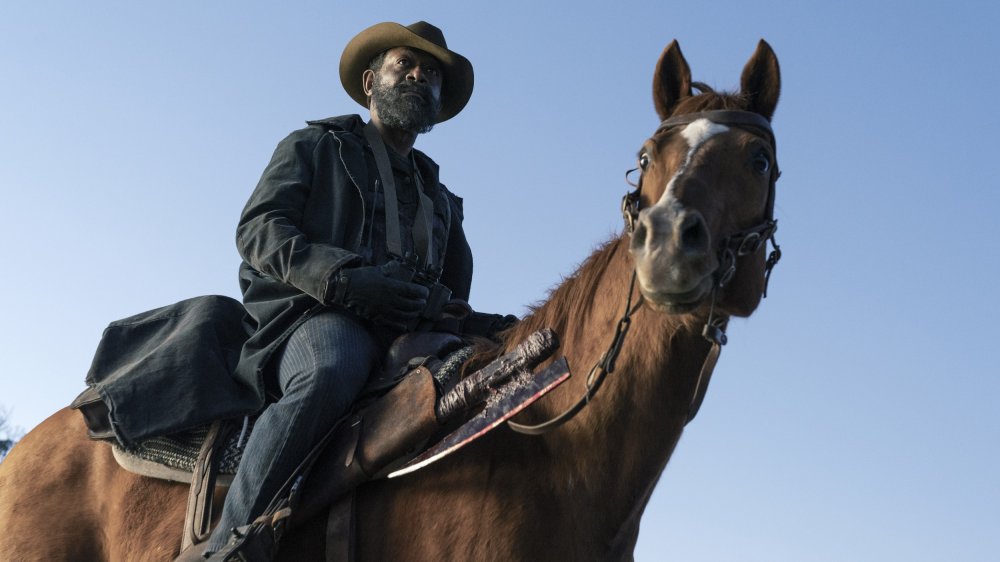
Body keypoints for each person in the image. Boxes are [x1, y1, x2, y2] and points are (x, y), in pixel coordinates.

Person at [176, 21, 486, 561]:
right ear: (371, 82)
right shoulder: (314, 146)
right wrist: (341, 278)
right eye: (404, 65)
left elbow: (456, 292)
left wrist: (459, 314)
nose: (418, 76)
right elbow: (258, 230)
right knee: (332, 368)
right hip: (310, 318)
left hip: (410, 338)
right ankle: (231, 547)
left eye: (431, 74)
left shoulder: (444, 202)